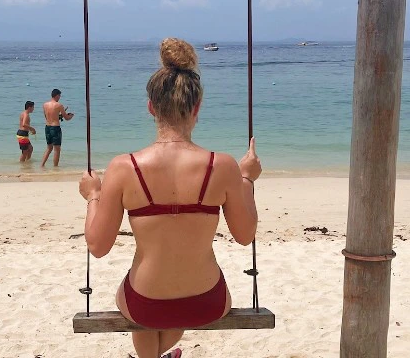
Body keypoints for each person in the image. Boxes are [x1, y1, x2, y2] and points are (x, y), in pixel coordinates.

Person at [78, 38, 261, 358]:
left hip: (144, 302)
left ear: (150, 107)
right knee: (174, 314)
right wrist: (246, 179)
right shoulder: (224, 166)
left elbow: (97, 246)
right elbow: (245, 236)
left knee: (151, 314)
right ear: (197, 107)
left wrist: (93, 195)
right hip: (207, 300)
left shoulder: (124, 168)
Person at [41, 88, 74, 167]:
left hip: (47, 127)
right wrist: (71, 116)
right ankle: (55, 167)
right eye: (59, 96)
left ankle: (42, 165)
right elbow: (66, 118)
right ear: (57, 95)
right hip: (55, 128)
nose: (59, 98)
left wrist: (59, 115)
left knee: (49, 148)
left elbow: (47, 117)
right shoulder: (59, 105)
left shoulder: (45, 105)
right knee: (57, 149)